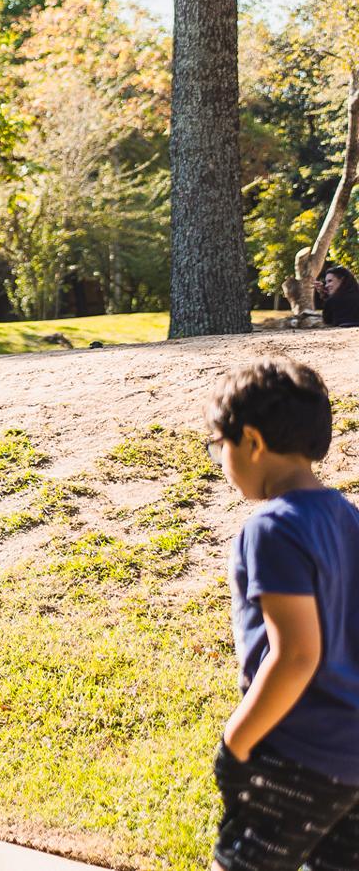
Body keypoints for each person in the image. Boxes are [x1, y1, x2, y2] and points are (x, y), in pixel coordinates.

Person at [206, 358, 359, 871]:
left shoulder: (272, 528)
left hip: (297, 754)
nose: (220, 458)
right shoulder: (348, 518)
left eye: (218, 445)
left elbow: (295, 655)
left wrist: (237, 741)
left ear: (251, 440)